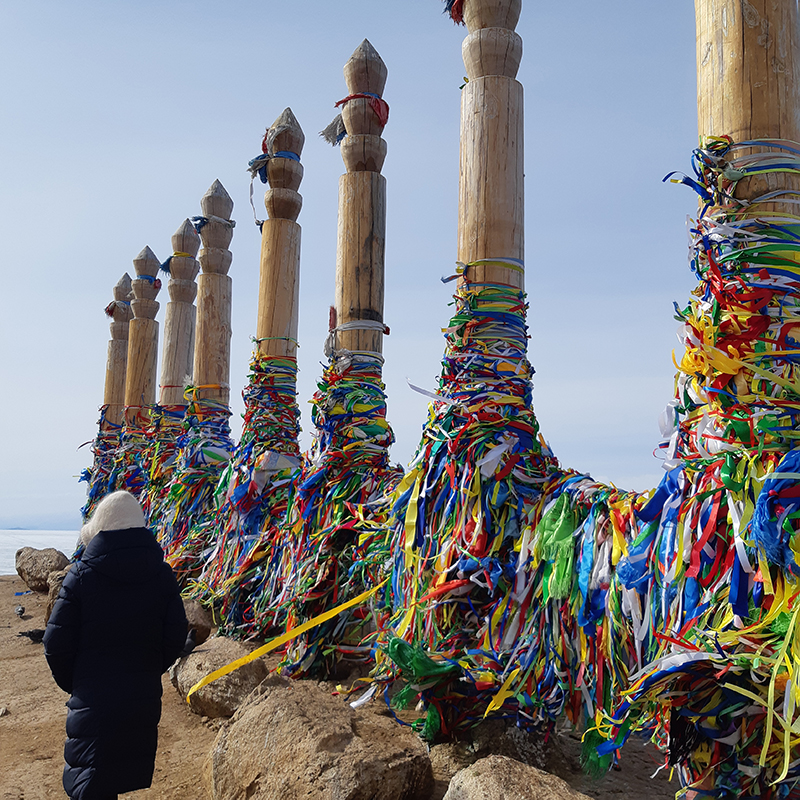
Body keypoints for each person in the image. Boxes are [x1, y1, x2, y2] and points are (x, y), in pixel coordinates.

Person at [44, 491, 187, 800]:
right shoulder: (162, 575)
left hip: (93, 703)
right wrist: (146, 671)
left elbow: (55, 644)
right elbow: (175, 636)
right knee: (116, 774)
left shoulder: (81, 576)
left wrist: (80, 683)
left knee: (91, 782)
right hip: (141, 698)